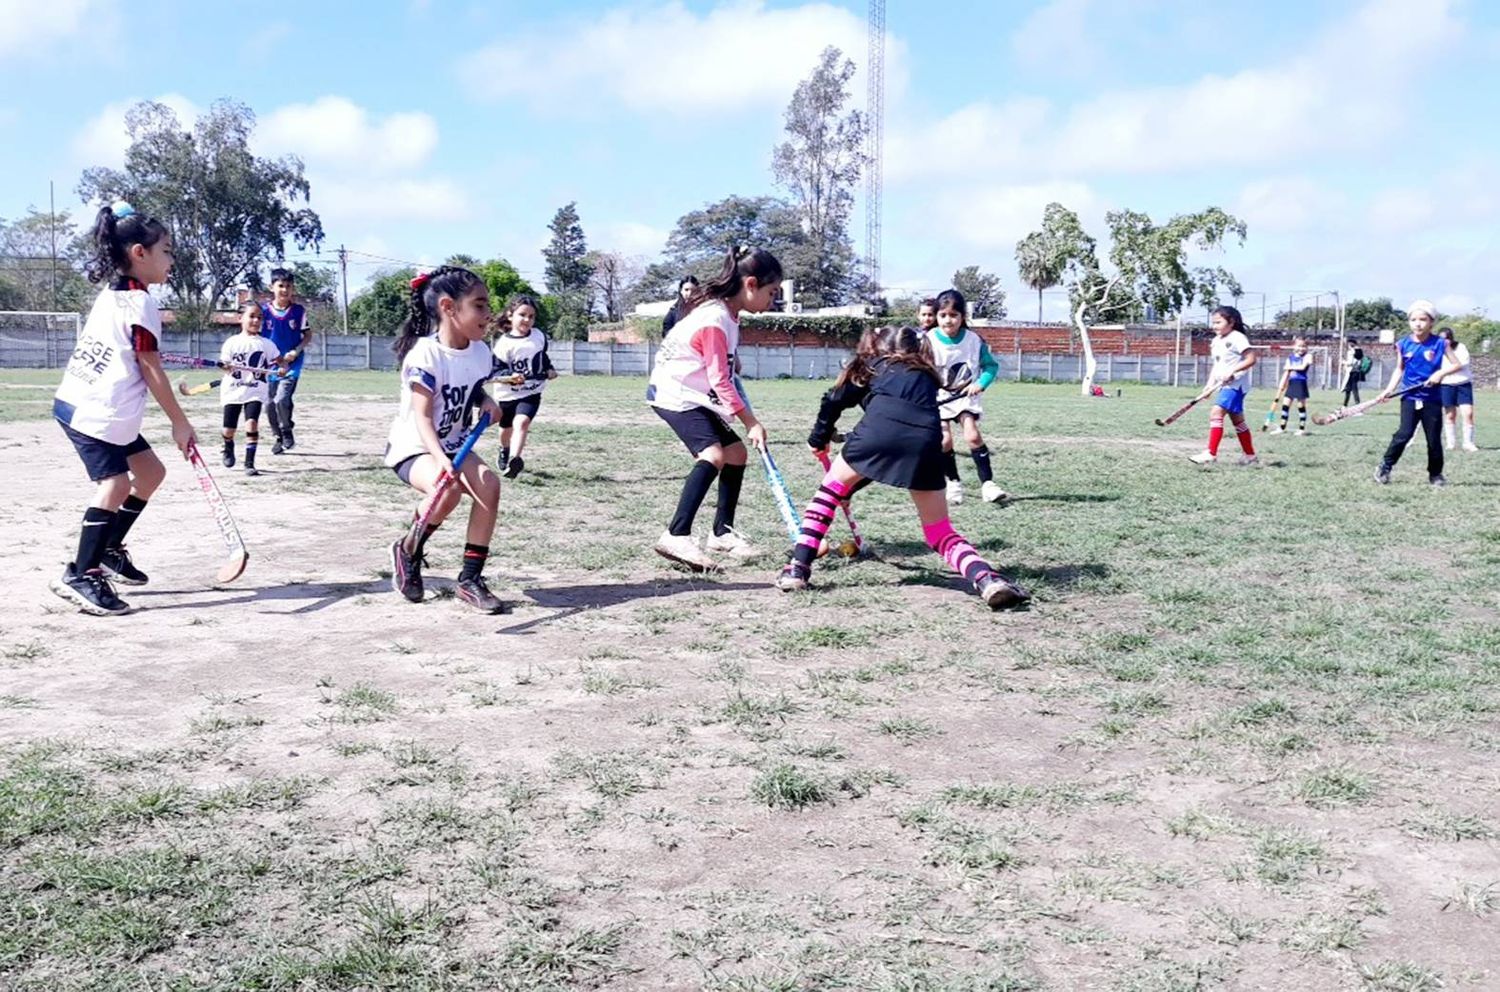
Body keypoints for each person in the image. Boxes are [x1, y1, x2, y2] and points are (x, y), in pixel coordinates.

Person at [782, 325, 1028, 610]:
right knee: (940, 532)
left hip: (873, 437)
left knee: (829, 494)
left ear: (876, 347)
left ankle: (797, 568)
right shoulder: (926, 374)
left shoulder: (870, 366)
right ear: (918, 350)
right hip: (926, 443)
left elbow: (832, 400)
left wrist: (818, 438)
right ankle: (987, 579)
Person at [50, 202, 197, 615]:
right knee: (114, 486)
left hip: (89, 405)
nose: (172, 259)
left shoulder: (119, 294)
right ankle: (82, 572)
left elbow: (139, 358)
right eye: (166, 250)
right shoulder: (140, 304)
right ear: (139, 253)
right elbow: (151, 369)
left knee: (150, 473)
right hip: (96, 414)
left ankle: (110, 547)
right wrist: (180, 424)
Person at [384, 266, 507, 613]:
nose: (488, 314)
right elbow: (422, 417)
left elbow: (472, 390)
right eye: (480, 306)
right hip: (415, 447)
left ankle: (469, 581)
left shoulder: (481, 351)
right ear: (449, 307)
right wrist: (440, 460)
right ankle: (408, 549)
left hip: (452, 445)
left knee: (489, 486)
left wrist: (485, 402)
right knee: (447, 489)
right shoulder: (425, 355)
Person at [646, 247, 778, 571]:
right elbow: (720, 381)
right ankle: (676, 534)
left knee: (736, 454)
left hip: (695, 393)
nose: (774, 301)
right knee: (713, 455)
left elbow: (718, 365)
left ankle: (721, 533)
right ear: (750, 284)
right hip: (675, 393)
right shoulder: (716, 318)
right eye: (771, 292)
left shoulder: (728, 314)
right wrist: (751, 422)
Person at [927, 288, 1005, 503]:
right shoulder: (929, 339)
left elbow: (990, 366)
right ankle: (953, 482)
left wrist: (980, 383)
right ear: (936, 317)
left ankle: (988, 484)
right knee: (944, 440)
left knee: (972, 435)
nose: (948, 321)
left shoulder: (973, 340)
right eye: (943, 315)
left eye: (954, 315)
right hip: (938, 398)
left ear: (963, 316)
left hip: (964, 397)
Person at [1374, 301, 1461, 486]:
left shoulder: (1440, 343)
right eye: (1413, 319)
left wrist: (1439, 373)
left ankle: (1436, 475)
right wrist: (1388, 390)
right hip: (1410, 398)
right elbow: (1399, 369)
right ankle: (1385, 466)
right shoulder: (1403, 344)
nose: (1418, 323)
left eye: (1423, 319)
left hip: (1433, 399)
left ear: (1431, 322)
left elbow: (1456, 364)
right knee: (1403, 434)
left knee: (1433, 440)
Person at [490, 293, 557, 479]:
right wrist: (510, 377)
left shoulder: (539, 336)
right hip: (507, 395)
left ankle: (515, 460)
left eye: (531, 316)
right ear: (510, 315)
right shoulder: (503, 345)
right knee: (506, 429)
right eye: (522, 314)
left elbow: (541, 359)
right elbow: (496, 372)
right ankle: (504, 449)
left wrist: (549, 369)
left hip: (531, 392)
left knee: (522, 422)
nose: (527, 319)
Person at [218, 303, 283, 476]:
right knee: (228, 430)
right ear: (240, 319)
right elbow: (225, 365)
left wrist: (283, 367)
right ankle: (228, 446)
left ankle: (249, 463)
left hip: (255, 391)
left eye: (259, 317)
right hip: (232, 391)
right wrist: (226, 366)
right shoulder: (232, 343)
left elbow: (280, 361)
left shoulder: (266, 344)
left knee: (252, 423)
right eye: (252, 316)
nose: (256, 320)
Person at [1189, 306, 1259, 466]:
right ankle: (1250, 456)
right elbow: (1217, 365)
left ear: (1231, 322)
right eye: (1213, 323)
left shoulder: (1238, 337)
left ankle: (1211, 453)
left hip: (1236, 385)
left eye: (1218, 322)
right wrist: (1208, 386)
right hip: (1223, 385)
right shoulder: (1215, 341)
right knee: (1238, 421)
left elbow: (1251, 359)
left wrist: (1233, 372)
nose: (1214, 326)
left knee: (1216, 413)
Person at [260, 267, 312, 454]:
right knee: (269, 404)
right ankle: (278, 436)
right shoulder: (264, 312)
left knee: (282, 399)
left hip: (291, 363)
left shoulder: (298, 311)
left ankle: (287, 430)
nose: (284, 290)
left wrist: (296, 351)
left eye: (288, 286)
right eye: (281, 285)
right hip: (271, 365)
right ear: (271, 287)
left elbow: (307, 335)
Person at [1437, 327, 1478, 452]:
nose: (1445, 341)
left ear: (1451, 338)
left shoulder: (1461, 347)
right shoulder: (1437, 350)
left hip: (1463, 384)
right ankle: (1451, 443)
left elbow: (1461, 364)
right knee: (1450, 415)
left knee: (1468, 413)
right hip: (1446, 385)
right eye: (1442, 339)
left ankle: (1468, 443)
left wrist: (1446, 369)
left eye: (1447, 338)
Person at [1274, 337, 1313, 434]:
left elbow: (1302, 367)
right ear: (1294, 346)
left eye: (1304, 346)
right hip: (1291, 383)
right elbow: (1286, 372)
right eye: (1299, 346)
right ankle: (1282, 428)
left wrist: (1288, 367)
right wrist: (1281, 384)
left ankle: (1301, 429)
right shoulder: (1290, 357)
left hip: (1301, 383)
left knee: (1301, 406)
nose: (1301, 348)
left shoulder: (1308, 356)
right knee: (1285, 405)